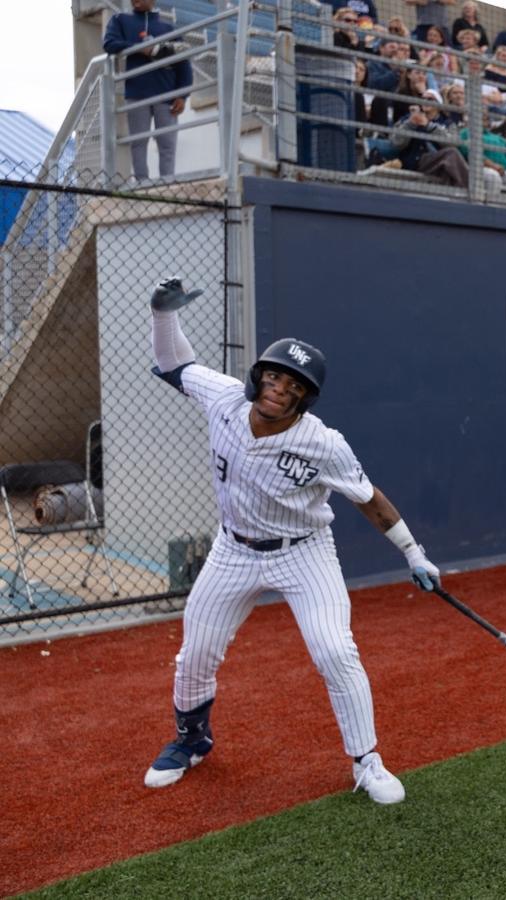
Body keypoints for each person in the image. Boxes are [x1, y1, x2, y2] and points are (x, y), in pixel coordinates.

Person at [140, 278, 441, 804]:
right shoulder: (227, 399)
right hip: (233, 549)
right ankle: (192, 741)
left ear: (306, 396)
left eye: (295, 384)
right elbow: (173, 364)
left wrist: (414, 554)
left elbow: (370, 499)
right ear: (259, 377)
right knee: (196, 655)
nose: (281, 387)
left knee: (334, 651)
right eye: (275, 376)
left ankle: (367, 761)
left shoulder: (323, 443)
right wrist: (162, 313)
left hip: (303, 553)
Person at [103, 0, 193, 182]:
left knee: (167, 144)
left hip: (166, 94)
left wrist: (182, 95)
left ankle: (167, 183)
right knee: (139, 143)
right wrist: (140, 49)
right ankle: (142, 185)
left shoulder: (168, 28)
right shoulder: (121, 20)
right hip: (137, 93)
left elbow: (184, 64)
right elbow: (109, 44)